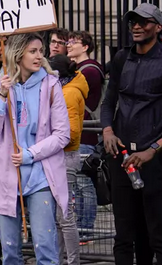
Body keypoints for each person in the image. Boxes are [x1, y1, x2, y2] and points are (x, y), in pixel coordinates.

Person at [101, 4, 162, 265]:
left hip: (155, 160)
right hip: (121, 156)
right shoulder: (121, 58)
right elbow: (109, 101)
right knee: (123, 234)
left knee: (156, 233)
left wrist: (153, 149)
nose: (137, 26)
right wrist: (107, 130)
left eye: (144, 21)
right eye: (133, 21)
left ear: (158, 27)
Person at [0, 33, 70, 265]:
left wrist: (30, 154)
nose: (39, 56)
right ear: (18, 55)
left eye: (41, 51)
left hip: (41, 175)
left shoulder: (51, 85)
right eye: (33, 51)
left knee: (45, 248)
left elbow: (62, 134)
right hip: (5, 176)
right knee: (10, 252)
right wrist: (2, 96)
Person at [49, 54, 86, 265]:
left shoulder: (69, 93)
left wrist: (48, 141)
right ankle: (60, 259)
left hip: (65, 156)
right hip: (63, 155)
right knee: (60, 216)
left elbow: (71, 132)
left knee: (65, 216)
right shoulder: (65, 89)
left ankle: (72, 261)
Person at [65, 31, 102, 230]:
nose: (69, 45)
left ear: (86, 47)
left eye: (74, 42)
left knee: (84, 183)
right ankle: (81, 226)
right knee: (77, 184)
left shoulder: (90, 71)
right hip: (80, 132)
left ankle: (85, 226)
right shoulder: (81, 69)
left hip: (86, 134)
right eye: (68, 42)